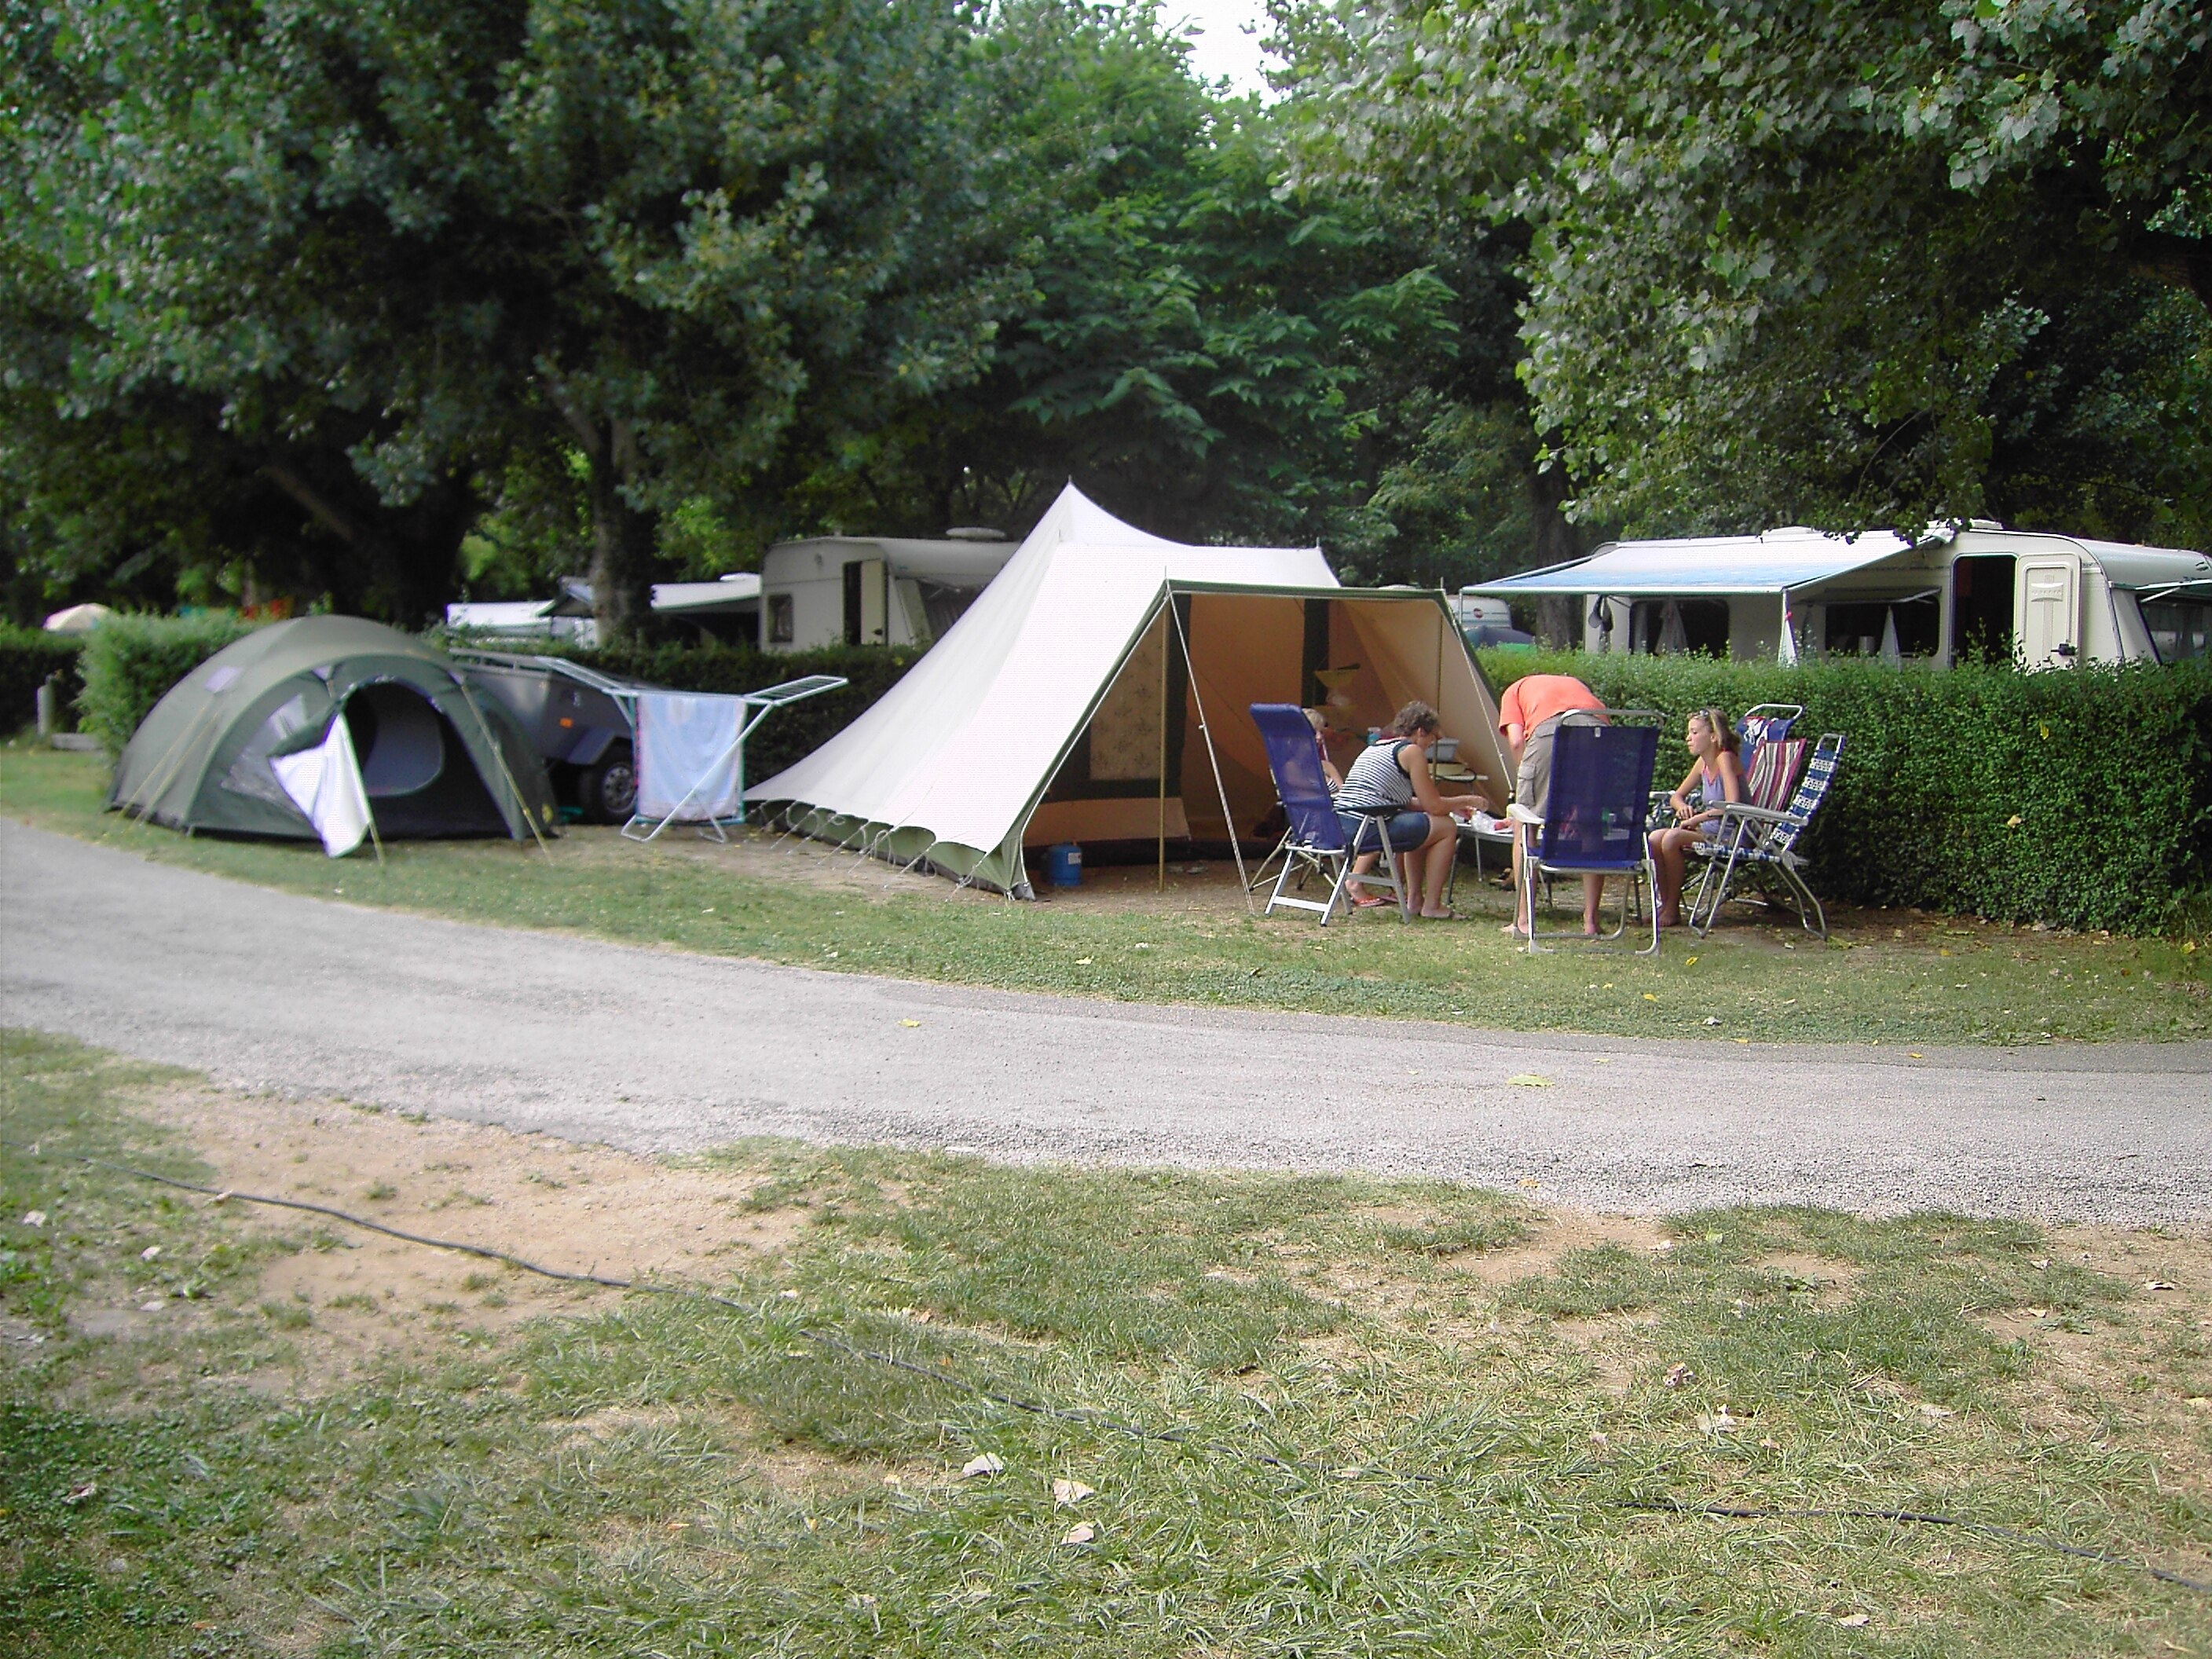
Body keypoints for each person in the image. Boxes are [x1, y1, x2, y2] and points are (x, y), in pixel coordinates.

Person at [1335, 701, 1482, 918]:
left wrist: (1451, 805)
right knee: (1446, 827)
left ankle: (1414, 900)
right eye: (1433, 737)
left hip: (1341, 824)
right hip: (1365, 829)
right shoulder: (1411, 752)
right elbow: (1433, 805)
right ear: (1421, 732)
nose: (1432, 744)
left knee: (1421, 821)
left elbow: (1400, 800)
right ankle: (1432, 905)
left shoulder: (1376, 747)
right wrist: (1467, 800)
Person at [1496, 672, 1609, 936]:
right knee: (1590, 822)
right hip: (1599, 732)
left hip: (1548, 730)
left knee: (1525, 824)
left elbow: (1516, 741)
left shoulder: (1514, 690)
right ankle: (1591, 921)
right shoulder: (1581, 687)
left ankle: (1523, 920)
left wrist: (1526, 780)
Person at [1650, 707, 1746, 928]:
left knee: (1672, 838)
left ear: (1713, 736)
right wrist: (1682, 806)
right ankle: (1666, 905)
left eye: (1694, 732)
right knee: (1655, 838)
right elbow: (1677, 796)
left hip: (1731, 837)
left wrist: (1696, 819)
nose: (1688, 738)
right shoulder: (1702, 763)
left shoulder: (1725, 759)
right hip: (1709, 833)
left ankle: (1672, 907)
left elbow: (1732, 805)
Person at [1303, 707, 1344, 791]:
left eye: (1321, 732)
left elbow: (1344, 793)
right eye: (1314, 732)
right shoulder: (1291, 767)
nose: (1319, 737)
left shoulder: (1326, 766)